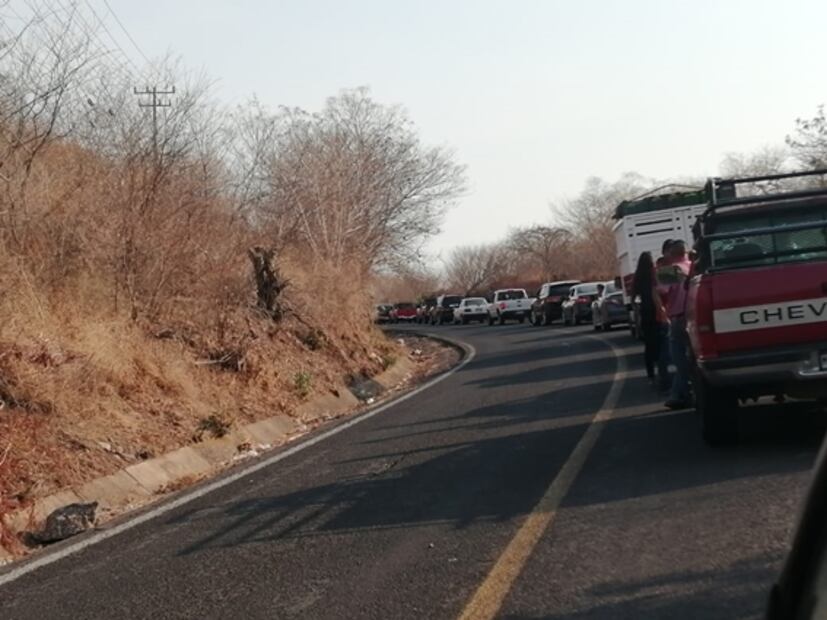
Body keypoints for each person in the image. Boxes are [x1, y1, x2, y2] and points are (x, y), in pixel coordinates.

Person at [659, 239, 693, 409]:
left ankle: (683, 395)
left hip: (678, 318)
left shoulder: (670, 271)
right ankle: (677, 394)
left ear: (671, 254)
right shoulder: (694, 267)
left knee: (679, 359)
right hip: (694, 317)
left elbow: (660, 291)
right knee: (692, 357)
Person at [633, 252, 669, 390]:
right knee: (661, 343)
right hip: (657, 311)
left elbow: (634, 298)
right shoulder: (655, 274)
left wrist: (637, 318)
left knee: (649, 345)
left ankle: (651, 375)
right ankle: (663, 373)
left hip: (646, 313)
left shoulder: (638, 277)